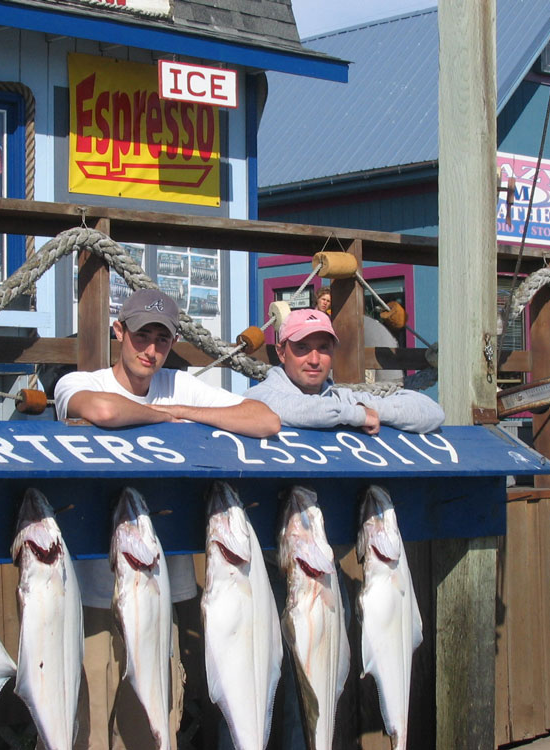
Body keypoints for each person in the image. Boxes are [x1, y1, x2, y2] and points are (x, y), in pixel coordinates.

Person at [53, 288, 280, 750]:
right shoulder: (80, 382)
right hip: (93, 599)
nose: (150, 349)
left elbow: (264, 420)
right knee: (83, 730)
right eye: (141, 336)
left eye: (161, 338)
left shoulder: (179, 386)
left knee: (151, 735)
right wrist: (168, 419)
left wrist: (178, 410)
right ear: (120, 331)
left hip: (159, 597)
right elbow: (102, 410)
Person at [244, 307, 444, 434]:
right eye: (302, 348)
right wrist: (357, 416)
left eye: (323, 348)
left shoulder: (345, 398)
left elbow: (433, 413)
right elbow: (301, 409)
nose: (314, 360)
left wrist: (371, 410)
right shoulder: (256, 399)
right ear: (281, 353)